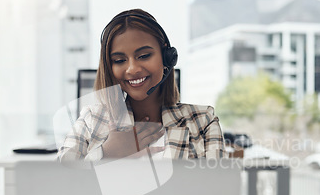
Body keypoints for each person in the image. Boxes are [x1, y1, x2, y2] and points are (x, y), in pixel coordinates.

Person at [58, 9, 226, 161]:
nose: (132, 69)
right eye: (119, 60)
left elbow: (217, 188)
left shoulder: (202, 120)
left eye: (144, 55)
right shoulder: (91, 119)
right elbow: (59, 182)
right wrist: (107, 153)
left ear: (167, 57)